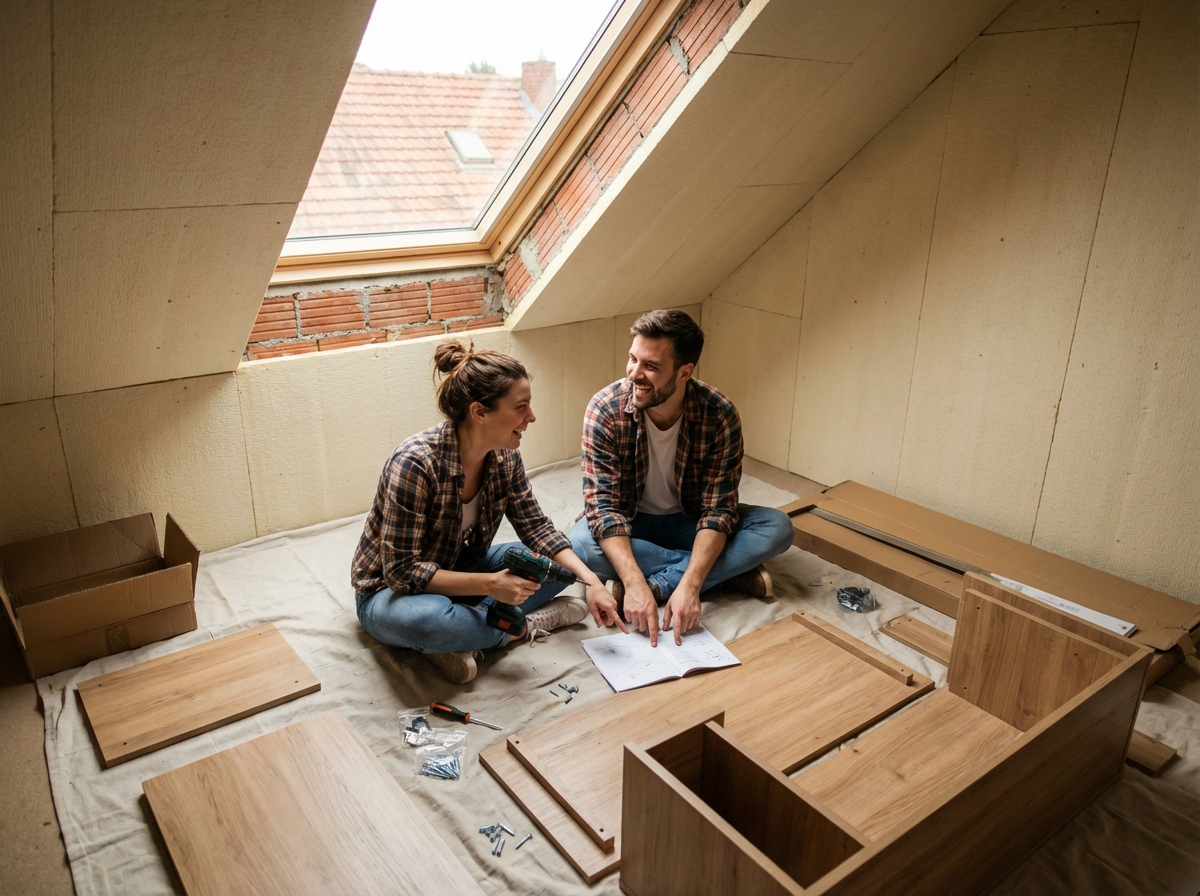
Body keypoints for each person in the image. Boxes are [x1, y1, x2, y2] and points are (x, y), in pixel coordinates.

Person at [352, 340, 625, 683]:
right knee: (430, 620)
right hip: (391, 593)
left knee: (570, 559)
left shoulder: (505, 457)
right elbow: (401, 572)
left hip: (461, 568)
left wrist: (592, 582)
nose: (531, 417)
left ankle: (465, 634)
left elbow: (537, 528)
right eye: (521, 407)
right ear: (479, 412)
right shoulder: (414, 464)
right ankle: (517, 627)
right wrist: (491, 585)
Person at [569, 309, 794, 647]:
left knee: (777, 527)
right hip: (632, 523)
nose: (634, 374)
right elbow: (603, 510)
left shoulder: (719, 413)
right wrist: (634, 583)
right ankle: (729, 573)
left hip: (691, 522)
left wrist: (687, 586)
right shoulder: (605, 409)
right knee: (579, 545)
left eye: (650, 366)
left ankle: (666, 582)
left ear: (684, 372)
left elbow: (718, 510)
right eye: (633, 359)